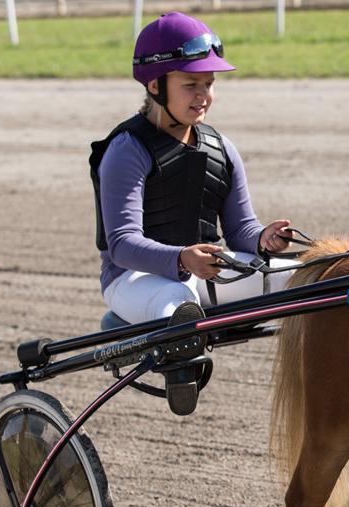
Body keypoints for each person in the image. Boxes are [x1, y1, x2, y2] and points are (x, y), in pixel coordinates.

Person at [89, 12, 296, 413]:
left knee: (303, 276)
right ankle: (177, 366)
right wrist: (181, 259)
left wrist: (263, 239)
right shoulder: (127, 150)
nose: (203, 95)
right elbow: (121, 244)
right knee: (178, 297)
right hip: (135, 280)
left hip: (202, 272)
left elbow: (240, 230)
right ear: (155, 85)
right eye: (190, 85)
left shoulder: (221, 148)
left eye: (209, 84)